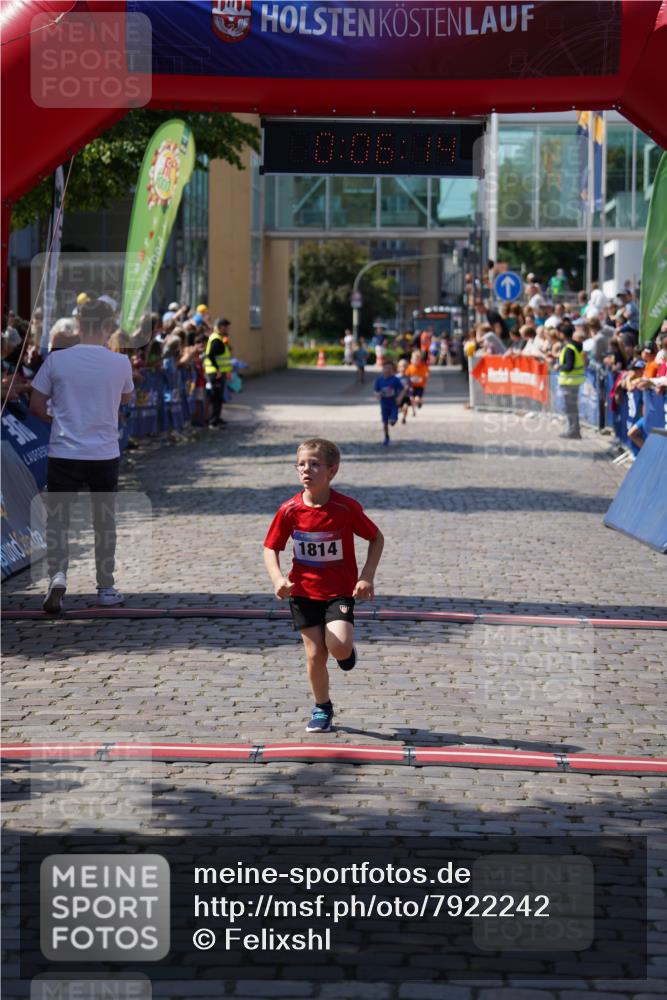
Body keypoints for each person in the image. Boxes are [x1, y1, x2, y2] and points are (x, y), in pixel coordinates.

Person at [263, 438, 384, 733]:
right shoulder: (289, 509)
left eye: (314, 464)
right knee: (315, 654)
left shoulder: (345, 507)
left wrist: (366, 575)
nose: (307, 470)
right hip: (302, 592)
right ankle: (322, 707)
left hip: (338, 591)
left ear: (332, 471)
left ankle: (346, 653)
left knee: (339, 647)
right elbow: (270, 547)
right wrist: (278, 579)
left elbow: (376, 537)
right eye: (301, 464)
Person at [29, 298, 134, 612]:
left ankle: (58, 575)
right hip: (103, 452)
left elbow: (36, 406)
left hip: (64, 450)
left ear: (79, 326)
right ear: (107, 327)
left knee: (58, 519)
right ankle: (106, 586)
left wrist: (59, 419)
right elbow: (126, 399)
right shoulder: (120, 363)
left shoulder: (57, 361)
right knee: (104, 521)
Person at [557, 320, 585, 439]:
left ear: (562, 334)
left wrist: (558, 366)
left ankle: (573, 430)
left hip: (570, 382)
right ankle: (574, 430)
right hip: (573, 382)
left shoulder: (569, 348)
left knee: (571, 408)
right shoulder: (574, 346)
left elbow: (569, 366)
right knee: (571, 407)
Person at [203, 317, 233, 427]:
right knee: (215, 397)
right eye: (226, 327)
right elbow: (210, 355)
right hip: (215, 373)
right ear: (220, 327)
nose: (227, 329)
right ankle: (213, 421)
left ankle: (217, 418)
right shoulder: (216, 339)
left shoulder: (219, 338)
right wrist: (217, 369)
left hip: (218, 372)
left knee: (219, 397)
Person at [374, 359, 404, 445]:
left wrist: (399, 398)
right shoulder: (379, 380)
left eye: (390, 368)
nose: (387, 370)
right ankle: (386, 437)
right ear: (382, 369)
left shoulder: (395, 380)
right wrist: (377, 395)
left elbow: (402, 390)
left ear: (393, 370)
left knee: (392, 421)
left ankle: (394, 419)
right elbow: (376, 390)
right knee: (385, 422)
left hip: (393, 403)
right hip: (384, 404)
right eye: (386, 368)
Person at [396, 358, 416, 423]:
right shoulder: (396, 377)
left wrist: (411, 393)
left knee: (406, 407)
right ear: (398, 368)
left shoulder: (408, 378)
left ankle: (404, 418)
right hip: (398, 396)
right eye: (401, 366)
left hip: (406, 396)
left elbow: (410, 387)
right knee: (399, 408)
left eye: (405, 366)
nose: (403, 368)